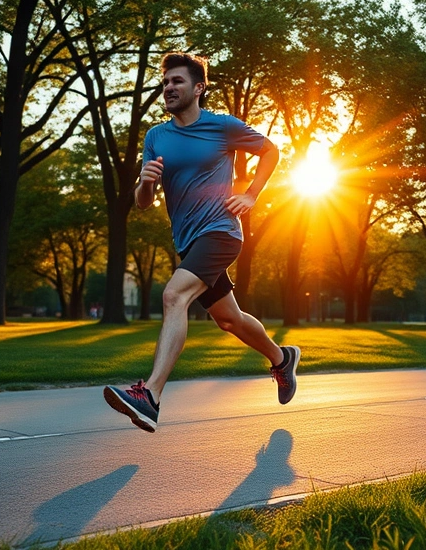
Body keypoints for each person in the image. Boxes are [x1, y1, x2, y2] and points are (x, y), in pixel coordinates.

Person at [103, 53, 301, 433]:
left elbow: (270, 150)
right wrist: (145, 182)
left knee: (174, 296)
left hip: (221, 232)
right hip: (188, 241)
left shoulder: (221, 126)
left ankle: (150, 396)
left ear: (198, 88)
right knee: (228, 319)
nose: (169, 88)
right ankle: (282, 358)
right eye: (165, 83)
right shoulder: (156, 137)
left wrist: (252, 194)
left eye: (177, 81)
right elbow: (143, 204)